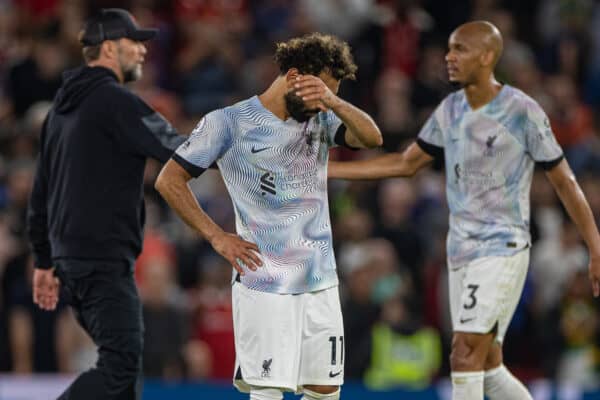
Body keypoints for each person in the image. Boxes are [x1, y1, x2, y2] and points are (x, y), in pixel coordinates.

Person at [328, 21, 600, 400]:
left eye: (461, 49)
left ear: (488, 56)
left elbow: (564, 181)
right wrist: (329, 169)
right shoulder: (450, 109)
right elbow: (406, 164)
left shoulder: (522, 111)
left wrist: (595, 244)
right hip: (460, 253)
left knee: (464, 353)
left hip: (501, 248)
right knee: (488, 368)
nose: (449, 57)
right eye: (449, 48)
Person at [155, 33, 382, 400]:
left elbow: (372, 138)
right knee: (268, 390)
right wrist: (217, 236)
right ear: (294, 76)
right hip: (265, 279)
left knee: (324, 390)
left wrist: (333, 101)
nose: (322, 104)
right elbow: (169, 180)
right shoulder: (228, 123)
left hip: (320, 278)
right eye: (319, 91)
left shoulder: (319, 120)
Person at [27, 8, 185, 400]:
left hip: (71, 263)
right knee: (120, 369)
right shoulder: (116, 102)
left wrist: (44, 261)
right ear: (111, 49)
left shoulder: (59, 111)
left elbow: (40, 191)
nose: (144, 52)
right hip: (102, 262)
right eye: (136, 43)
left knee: (124, 383)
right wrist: (247, 145)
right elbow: (185, 151)